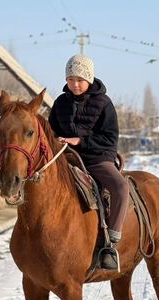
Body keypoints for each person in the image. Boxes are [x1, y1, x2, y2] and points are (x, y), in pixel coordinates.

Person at [49, 54, 129, 271]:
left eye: (80, 80)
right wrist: (56, 139)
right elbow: (51, 131)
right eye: (70, 79)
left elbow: (110, 139)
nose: (75, 84)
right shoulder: (59, 103)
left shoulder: (104, 103)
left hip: (96, 159)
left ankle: (111, 243)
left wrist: (81, 141)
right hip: (66, 159)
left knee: (121, 188)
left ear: (90, 79)